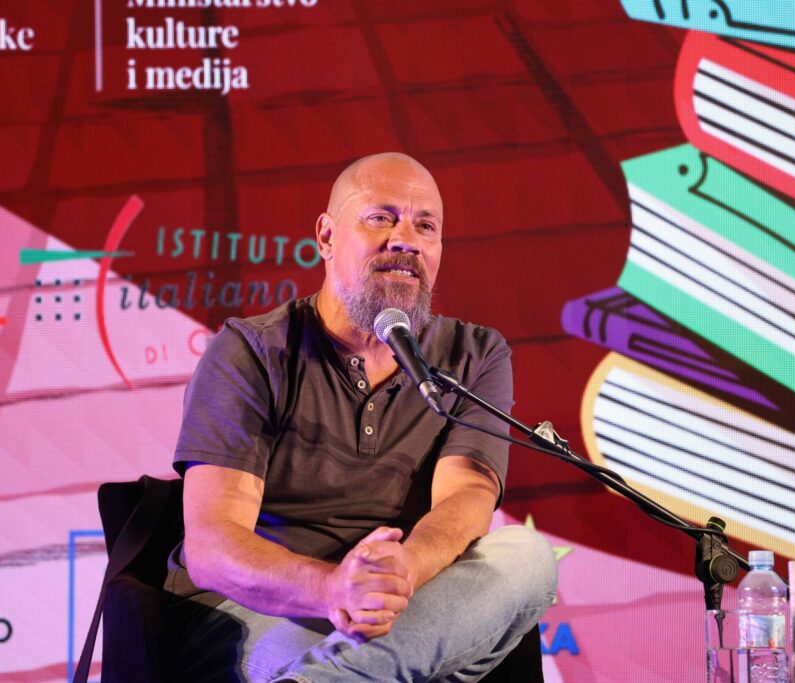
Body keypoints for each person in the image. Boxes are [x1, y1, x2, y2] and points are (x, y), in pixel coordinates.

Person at [165, 152, 558, 682]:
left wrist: (405, 569)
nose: (405, 240)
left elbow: (467, 497)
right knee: (379, 658)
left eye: (425, 226)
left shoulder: (473, 356)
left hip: (406, 602)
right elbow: (213, 547)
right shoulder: (252, 351)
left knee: (527, 555)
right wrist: (333, 589)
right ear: (326, 237)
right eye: (381, 218)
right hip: (266, 607)